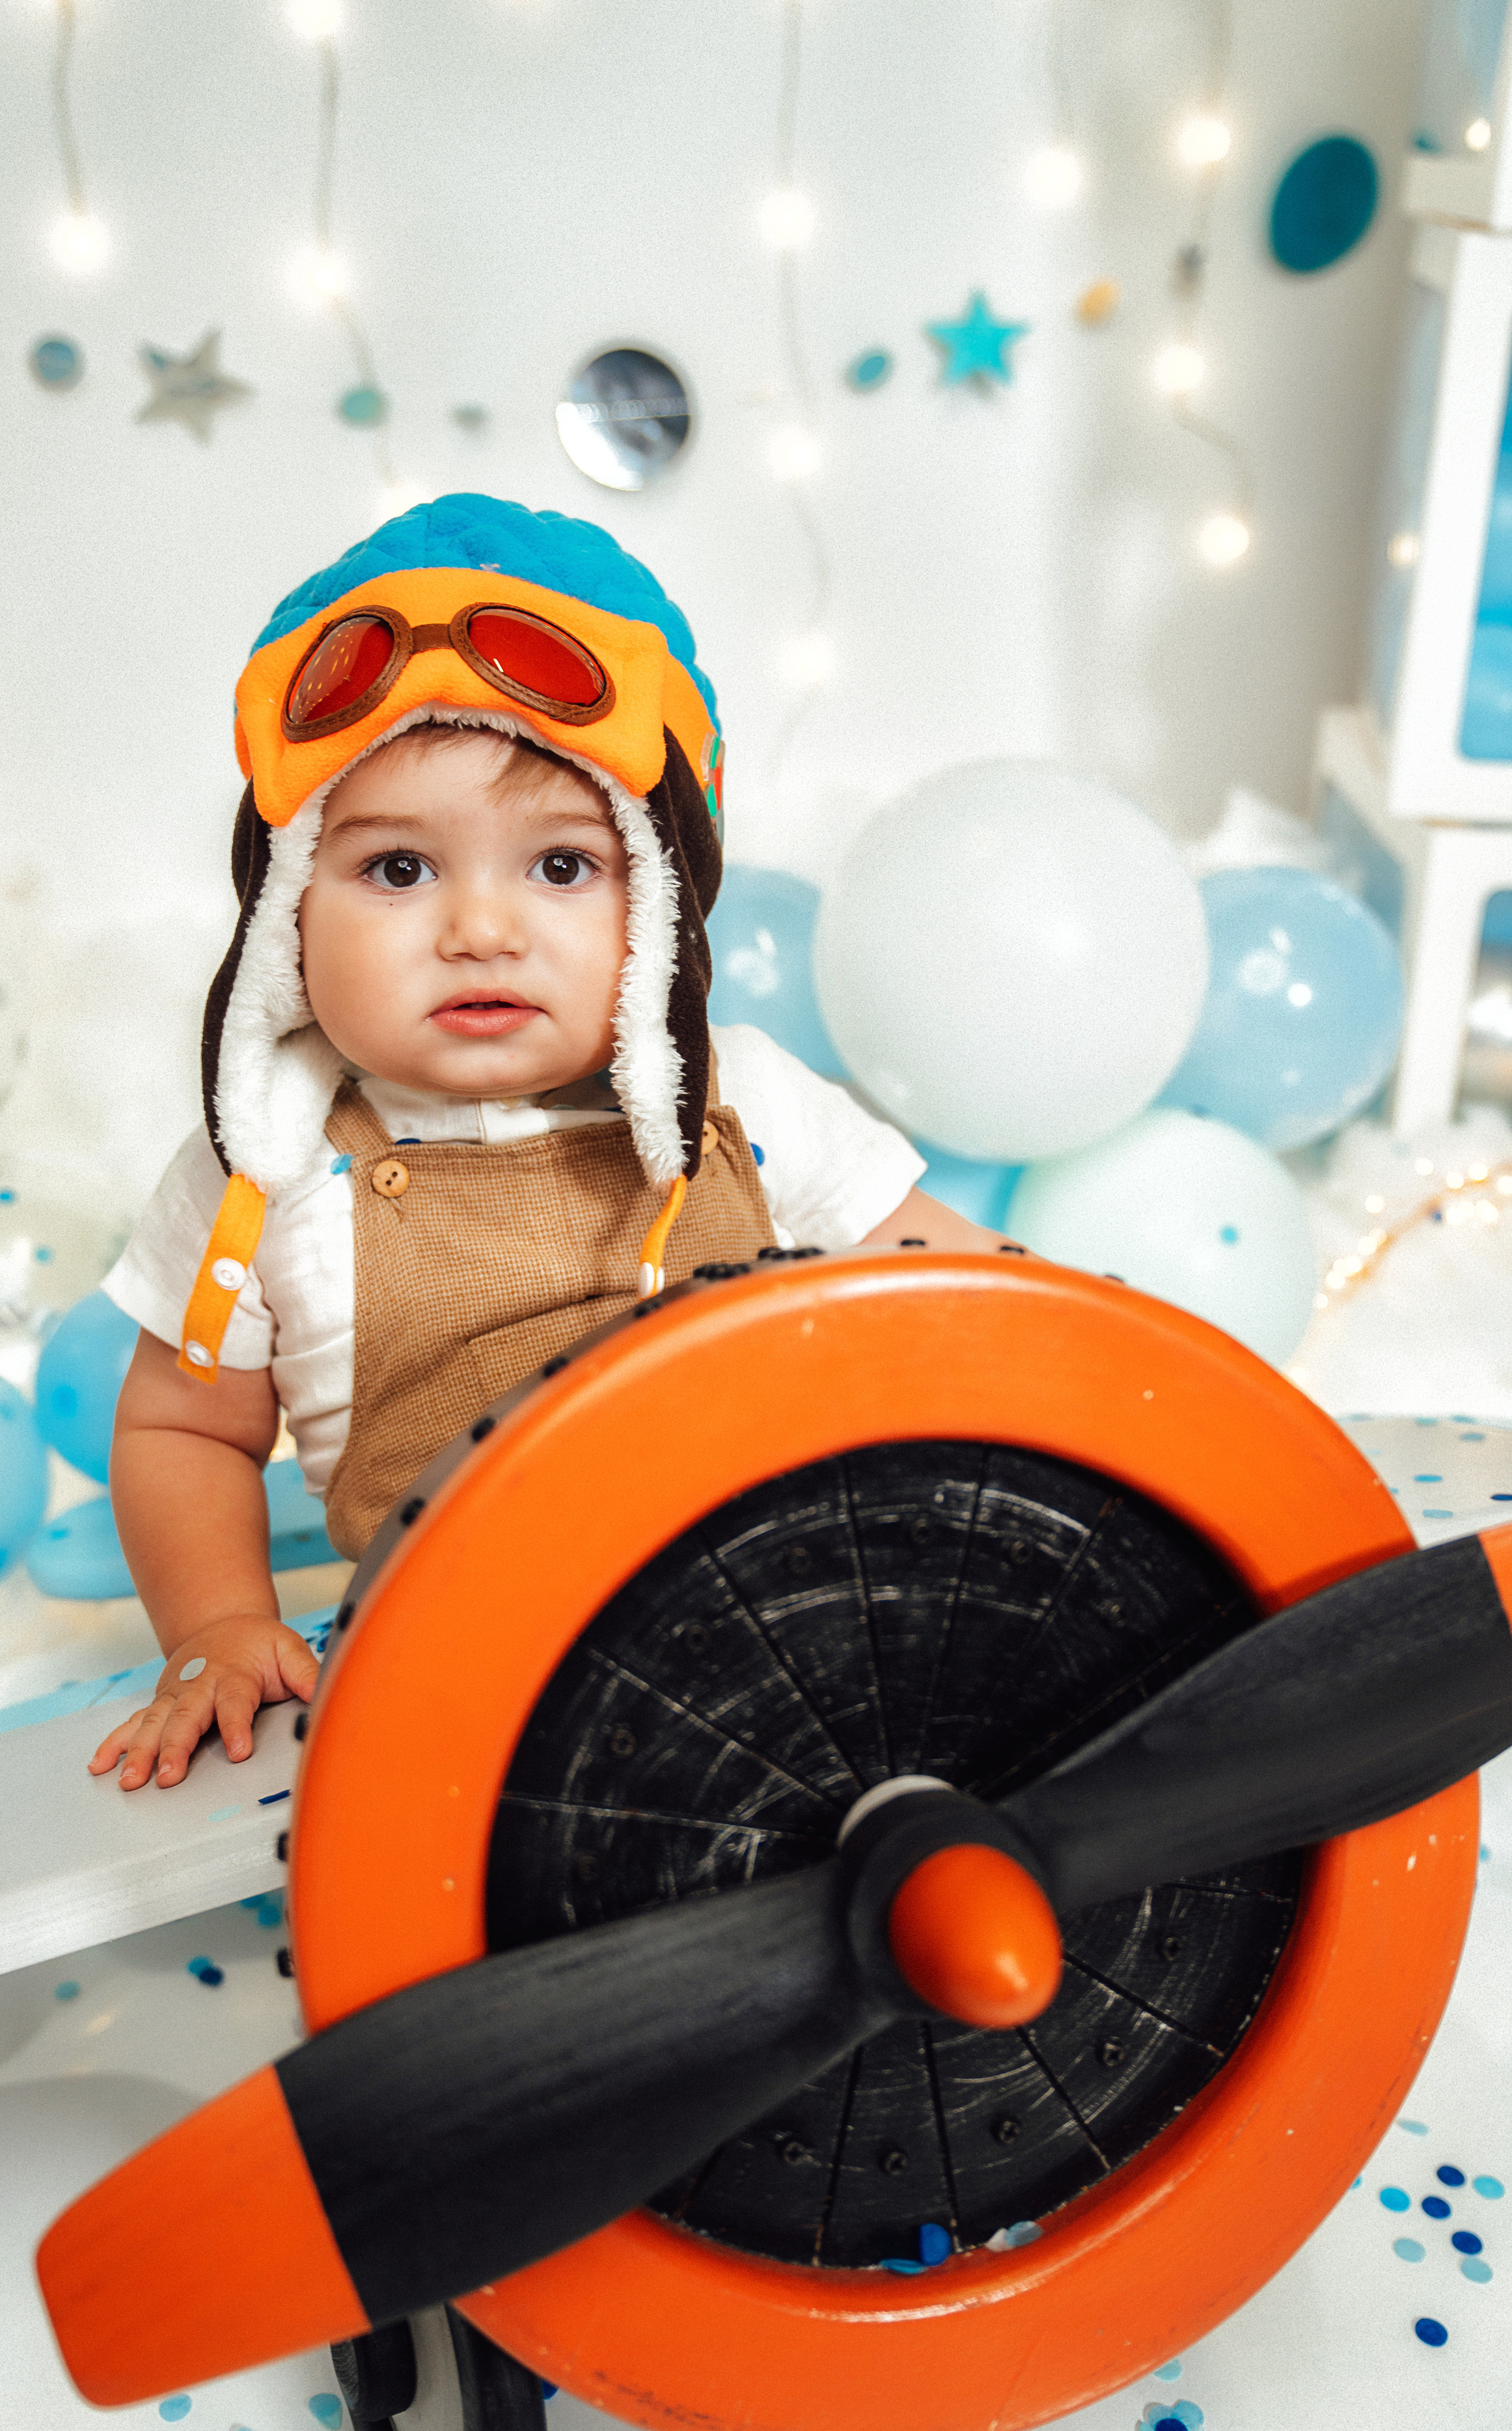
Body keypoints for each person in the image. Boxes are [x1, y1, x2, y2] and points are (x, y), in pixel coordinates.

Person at [89, 495, 1003, 1795]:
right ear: (289, 904)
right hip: (472, 1690)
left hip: (805, 1623)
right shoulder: (267, 1164)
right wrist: (217, 1627)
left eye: (562, 869)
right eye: (399, 871)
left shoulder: (745, 1100)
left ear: (665, 896)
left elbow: (967, 1298)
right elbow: (184, 1431)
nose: (479, 928)